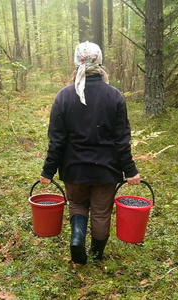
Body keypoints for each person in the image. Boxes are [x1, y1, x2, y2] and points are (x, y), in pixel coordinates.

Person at [40, 41, 141, 265]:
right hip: (106, 169)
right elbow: (121, 140)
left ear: (76, 63)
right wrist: (130, 171)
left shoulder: (64, 96)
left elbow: (56, 140)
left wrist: (48, 171)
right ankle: (96, 255)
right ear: (100, 62)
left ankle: (77, 238)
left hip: (74, 168)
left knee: (77, 203)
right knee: (101, 210)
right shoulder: (114, 96)